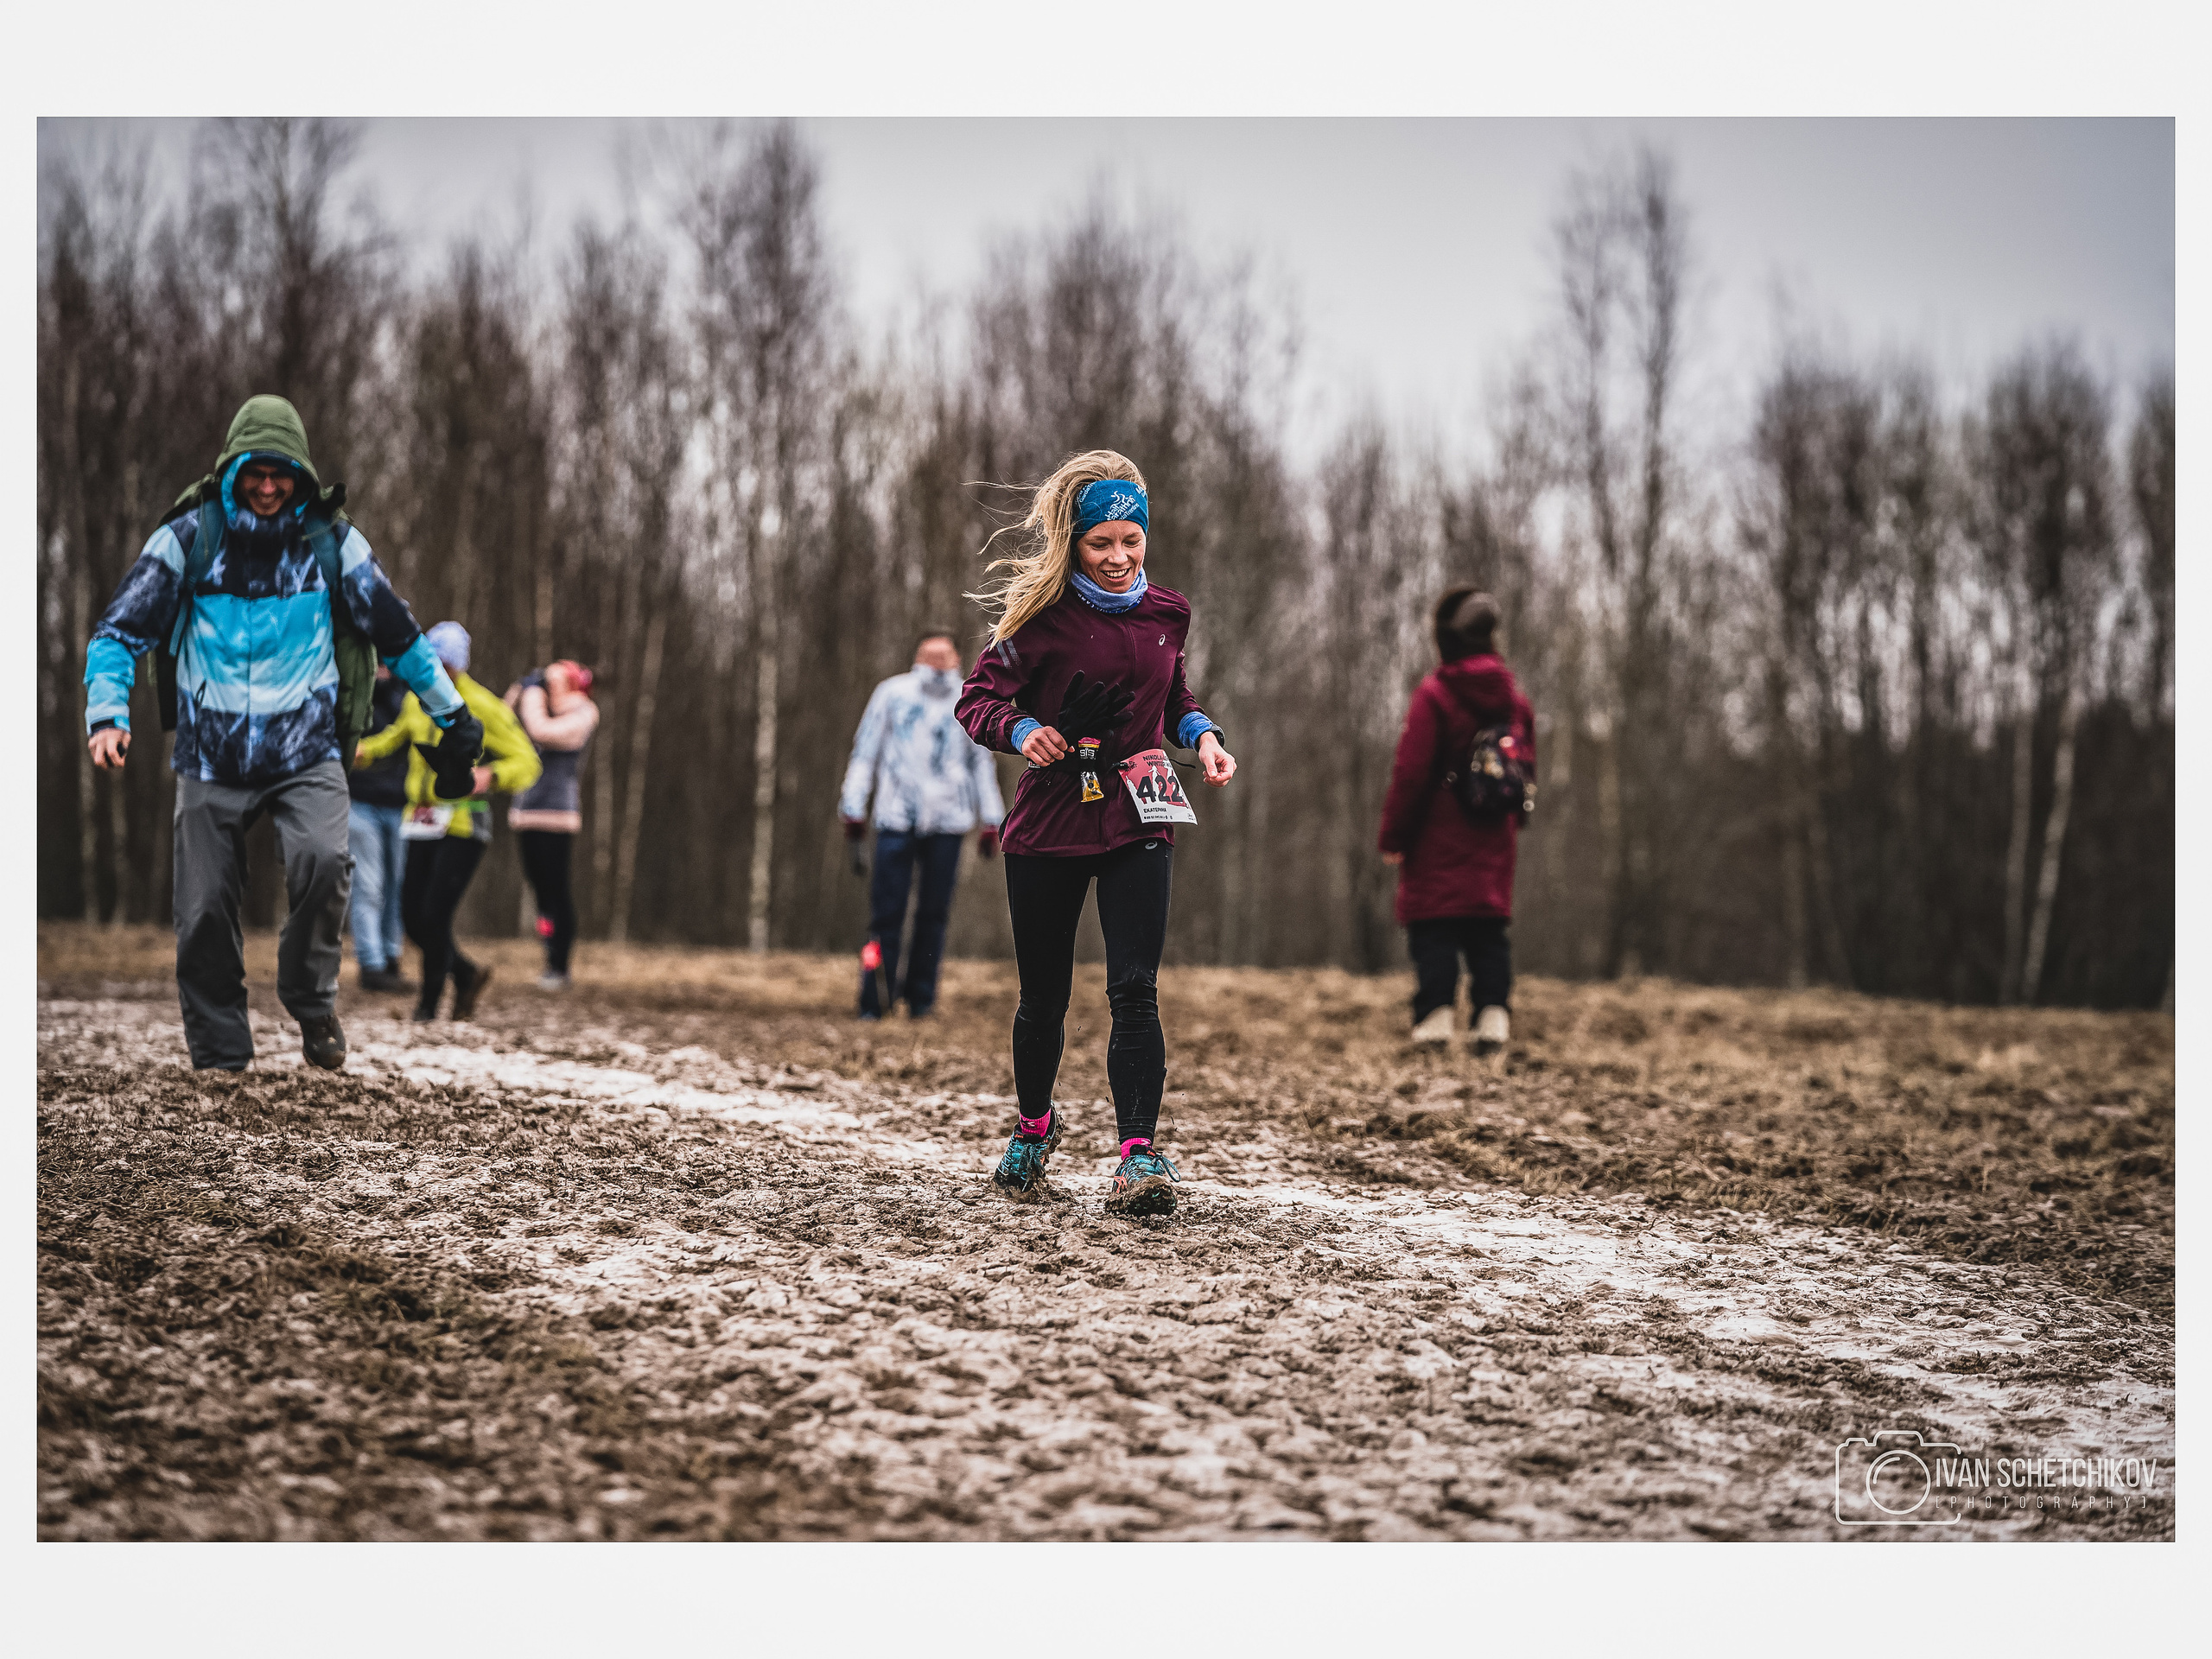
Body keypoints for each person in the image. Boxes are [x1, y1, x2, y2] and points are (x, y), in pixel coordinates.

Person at [83, 394, 480, 1072]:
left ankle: (310, 994)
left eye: (281, 474)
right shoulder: (187, 539)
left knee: (325, 865)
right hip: (211, 754)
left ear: (300, 473)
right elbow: (120, 631)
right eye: (254, 473)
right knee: (204, 908)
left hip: (306, 749)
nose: (267, 488)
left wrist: (452, 715)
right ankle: (221, 1052)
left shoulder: (333, 544)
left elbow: (401, 635)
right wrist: (108, 715)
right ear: (231, 470)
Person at [956, 451, 1236, 1217]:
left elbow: (1172, 695)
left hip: (1138, 815)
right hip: (1049, 819)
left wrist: (1204, 736)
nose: (1119, 559)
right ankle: (1033, 1130)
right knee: (1044, 999)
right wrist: (1023, 730)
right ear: (1073, 544)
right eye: (1100, 545)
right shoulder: (1038, 619)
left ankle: (1138, 1157)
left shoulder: (1169, 614)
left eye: (1131, 542)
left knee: (1135, 989)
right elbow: (976, 700)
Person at [1376, 587, 1535, 1054]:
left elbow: (1411, 773)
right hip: (1495, 834)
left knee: (1435, 926)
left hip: (1437, 835)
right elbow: (1527, 768)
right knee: (1488, 930)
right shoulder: (1515, 700)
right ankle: (1493, 1022)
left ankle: (1435, 1023)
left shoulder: (1437, 695)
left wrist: (1395, 836)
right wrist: (1513, 827)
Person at [353, 622, 539, 1023]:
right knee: (412, 918)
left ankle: (428, 1005)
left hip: (464, 824)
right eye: (431, 662)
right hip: (420, 820)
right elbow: (393, 739)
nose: (437, 671)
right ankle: (466, 973)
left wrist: (490, 777)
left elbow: (527, 761)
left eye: (444, 664)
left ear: (457, 665)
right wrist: (358, 750)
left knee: (435, 916)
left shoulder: (483, 706)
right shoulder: (416, 699)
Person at [838, 628, 1007, 1020]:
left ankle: (921, 1001)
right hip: (896, 818)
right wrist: (853, 808)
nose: (936, 664)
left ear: (956, 659)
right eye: (929, 656)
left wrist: (991, 819)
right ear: (917, 657)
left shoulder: (969, 698)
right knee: (885, 915)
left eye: (943, 656)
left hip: (949, 822)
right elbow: (865, 752)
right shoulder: (892, 695)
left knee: (934, 914)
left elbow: (981, 762)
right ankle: (874, 999)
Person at [507, 659, 600, 990]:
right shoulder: (540, 705)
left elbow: (540, 731)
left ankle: (560, 964)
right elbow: (505, 721)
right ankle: (549, 955)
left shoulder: (584, 712)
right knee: (541, 895)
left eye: (553, 682)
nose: (547, 686)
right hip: (526, 812)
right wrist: (522, 690)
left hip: (557, 816)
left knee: (556, 891)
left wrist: (532, 694)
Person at [347, 665, 413, 993]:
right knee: (368, 885)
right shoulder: (350, 683)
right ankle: (371, 964)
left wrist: (391, 689)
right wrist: (372, 686)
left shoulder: (410, 689)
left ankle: (391, 957)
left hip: (402, 802)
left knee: (399, 885)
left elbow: (410, 731)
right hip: (359, 800)